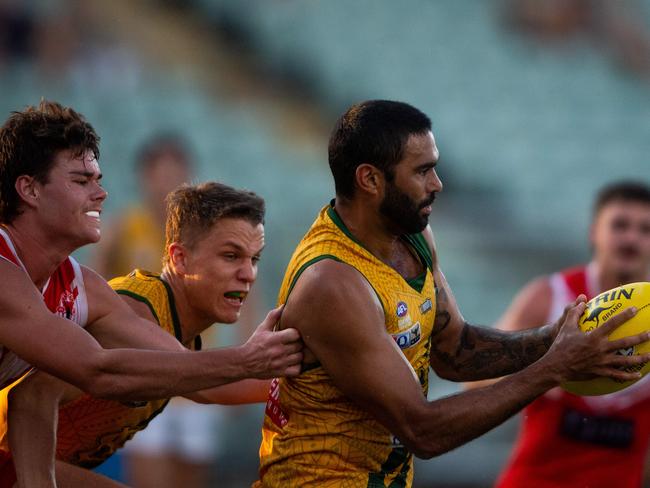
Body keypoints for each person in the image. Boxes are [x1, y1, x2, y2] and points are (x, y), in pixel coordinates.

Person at [254, 100, 650, 487]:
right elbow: (422, 430)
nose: (437, 184)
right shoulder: (332, 283)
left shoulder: (414, 236)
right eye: (422, 171)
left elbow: (456, 351)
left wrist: (556, 339)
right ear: (370, 179)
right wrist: (553, 367)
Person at [0, 101, 302, 483]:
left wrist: (312, 370)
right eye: (82, 181)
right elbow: (92, 371)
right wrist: (248, 360)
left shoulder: (83, 287)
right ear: (28, 189)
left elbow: (196, 380)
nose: (101, 194)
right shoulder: (126, 285)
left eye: (98, 179)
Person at [483, 181, 650, 488]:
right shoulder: (550, 297)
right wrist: (542, 374)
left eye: (644, 229)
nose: (632, 238)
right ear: (594, 231)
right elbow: (474, 376)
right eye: (620, 225)